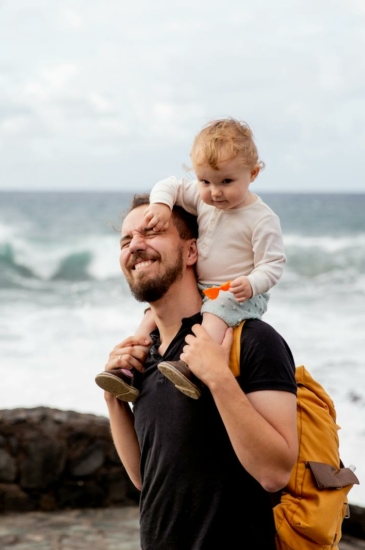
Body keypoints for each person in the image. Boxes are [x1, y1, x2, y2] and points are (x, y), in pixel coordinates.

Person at [102, 194, 297, 549]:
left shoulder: (251, 340)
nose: (135, 246)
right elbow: (146, 480)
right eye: (126, 240)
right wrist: (113, 401)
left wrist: (218, 378)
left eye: (151, 232)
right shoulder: (145, 355)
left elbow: (275, 472)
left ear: (191, 252)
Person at [95, 118, 286, 401]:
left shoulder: (261, 219)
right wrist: (161, 205)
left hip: (238, 292)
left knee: (214, 312)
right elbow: (169, 185)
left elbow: (273, 264)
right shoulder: (202, 198)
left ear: (253, 173)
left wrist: (252, 282)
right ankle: (130, 369)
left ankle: (190, 368)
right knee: (151, 316)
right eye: (205, 181)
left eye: (226, 181)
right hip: (205, 287)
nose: (215, 192)